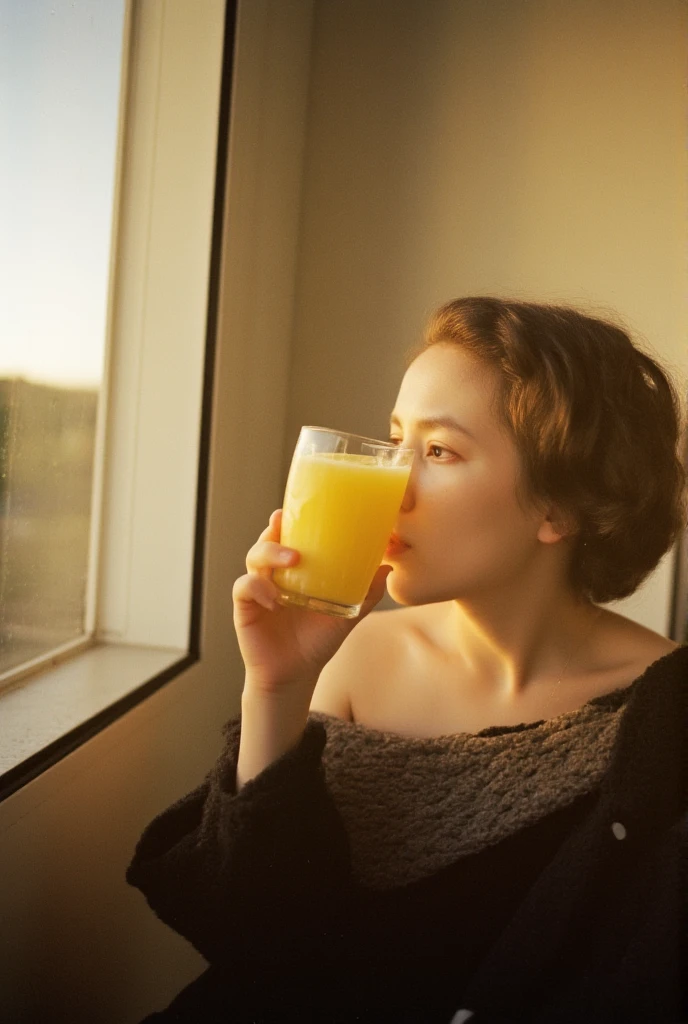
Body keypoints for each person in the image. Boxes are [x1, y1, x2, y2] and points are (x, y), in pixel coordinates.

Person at [127, 297, 688, 1023]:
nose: (392, 483)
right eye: (396, 441)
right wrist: (276, 687)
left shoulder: (663, 719)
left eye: (439, 452)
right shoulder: (353, 658)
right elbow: (253, 942)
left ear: (559, 507)